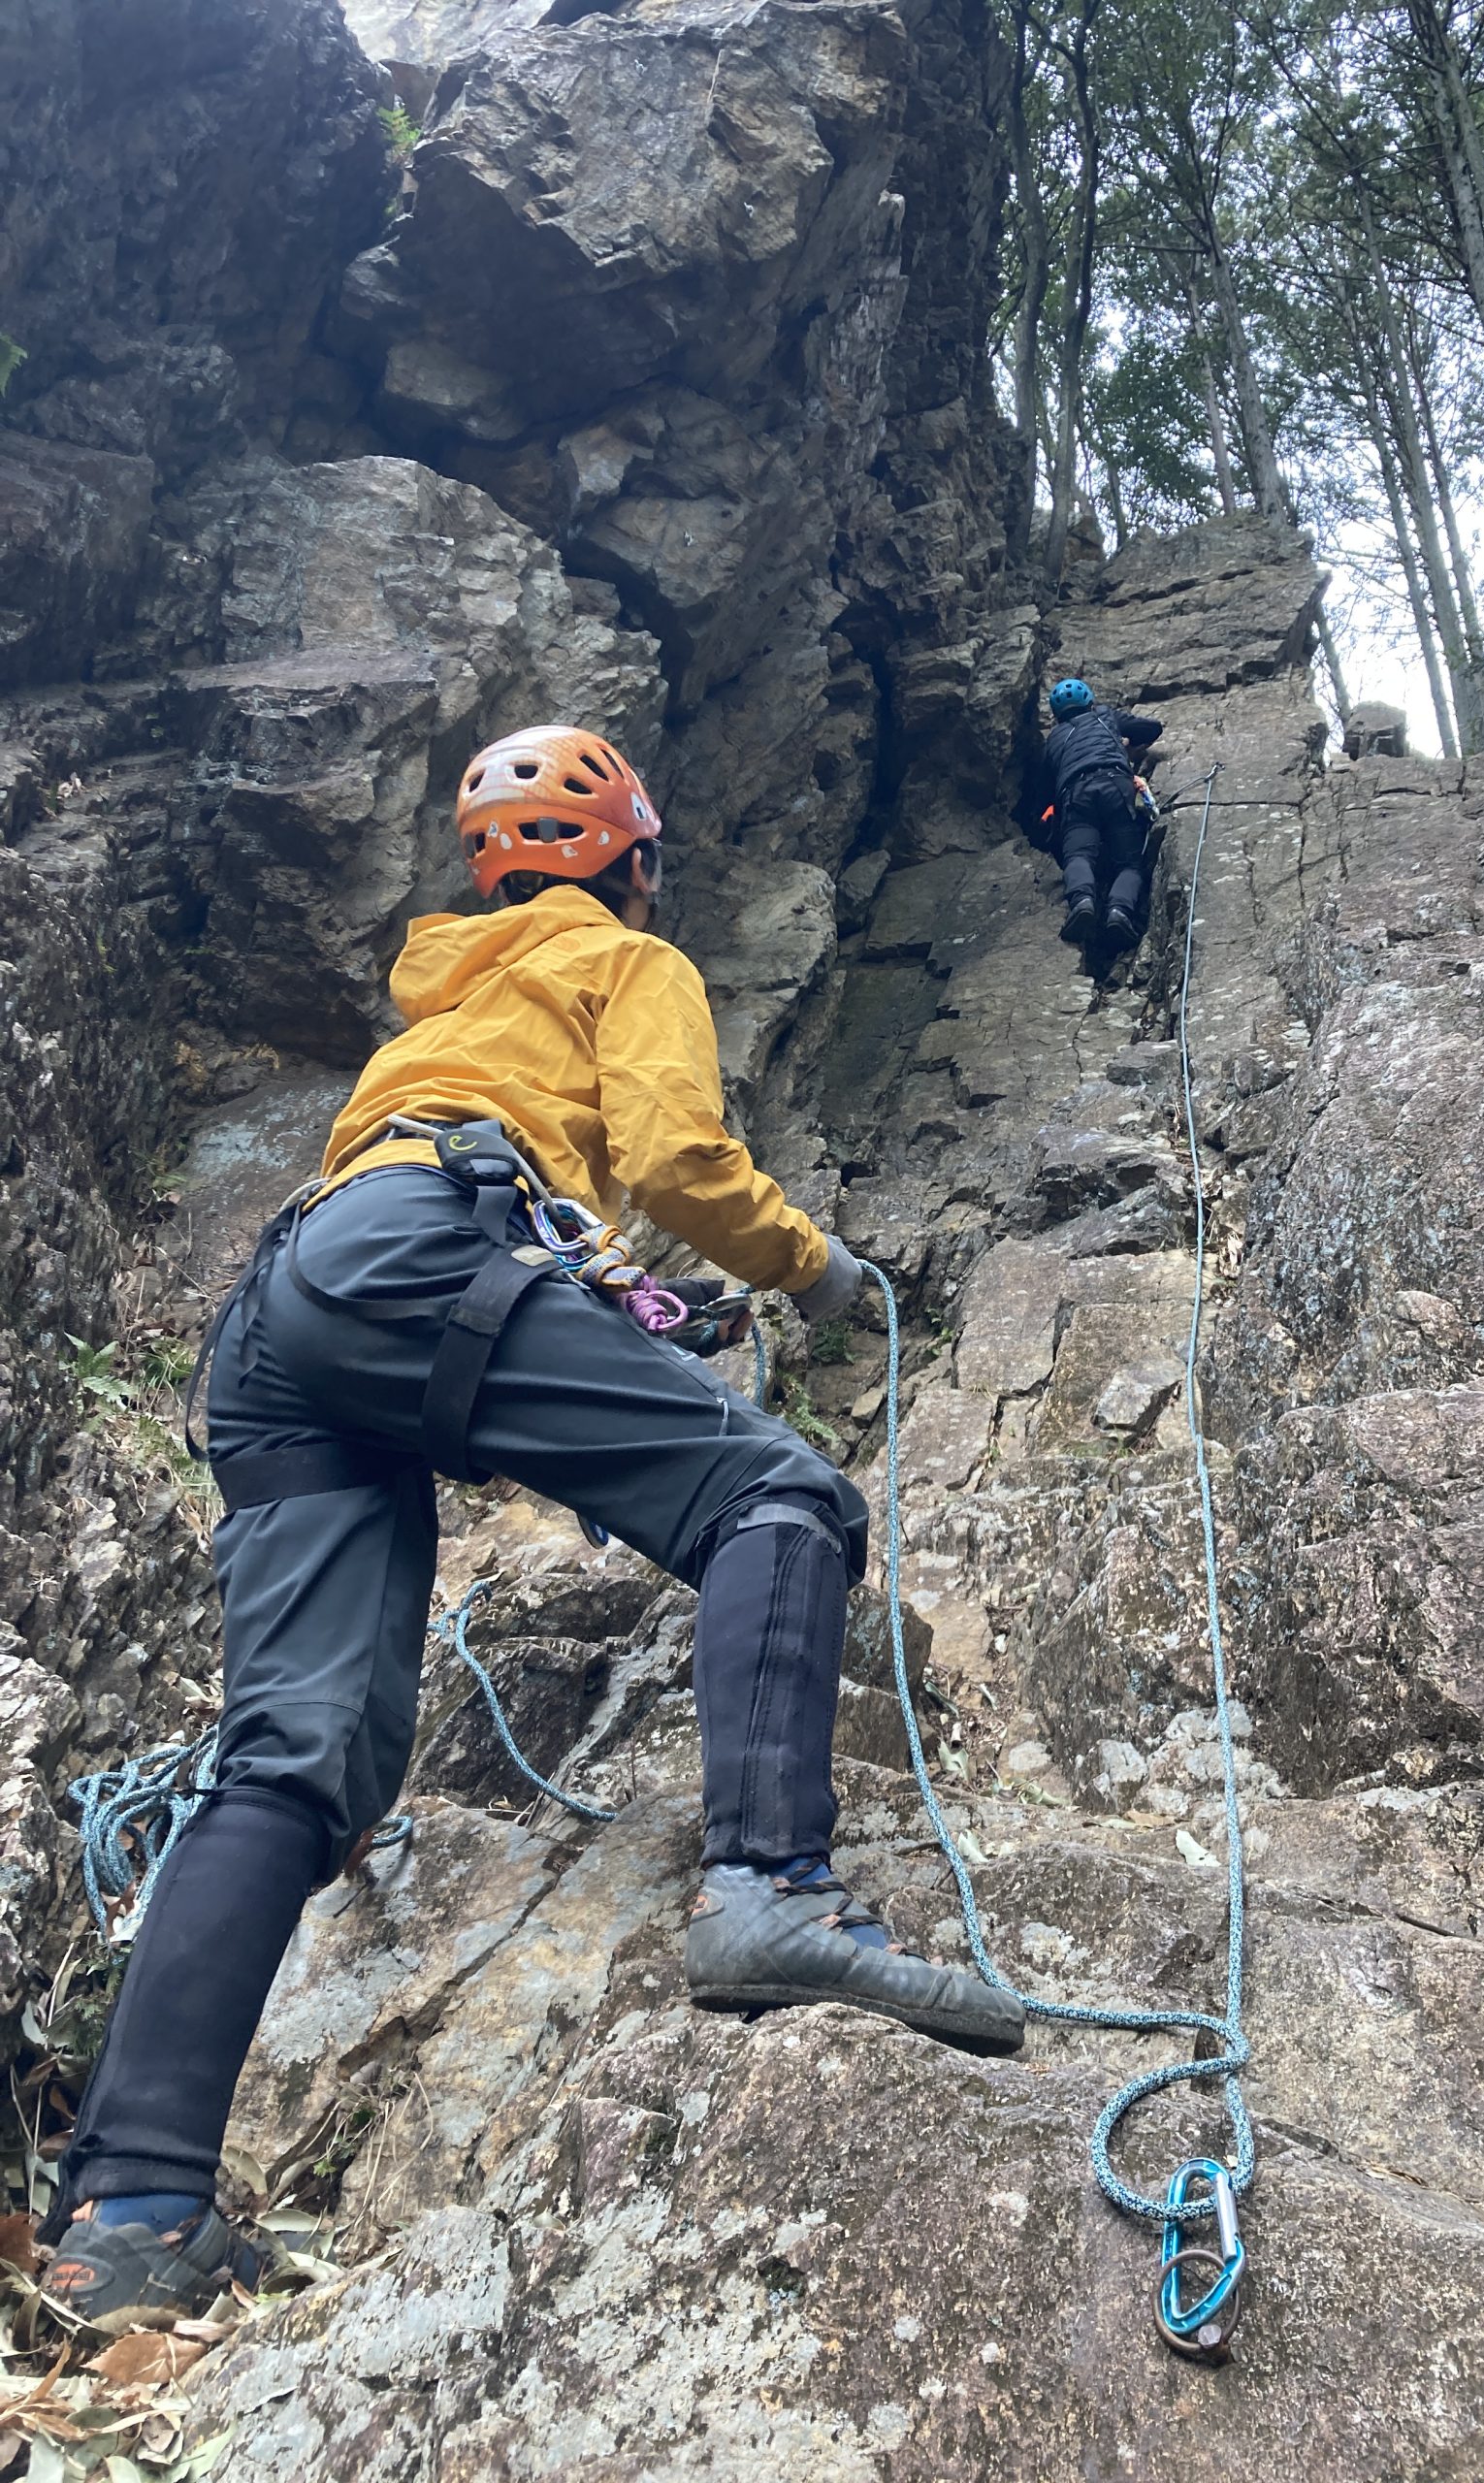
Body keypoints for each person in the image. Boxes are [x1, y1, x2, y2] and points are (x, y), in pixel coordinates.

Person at [42, 724, 1022, 2331]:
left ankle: (130, 2218)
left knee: (297, 1761)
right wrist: (814, 1269)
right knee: (784, 1494)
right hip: (428, 1261)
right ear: (631, 860)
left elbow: (482, 1223)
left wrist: (652, 1312)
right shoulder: (621, 959)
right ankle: (769, 1886)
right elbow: (677, 1158)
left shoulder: (458, 1001)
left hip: (293, 1315)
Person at [1039, 678, 1164, 951]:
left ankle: (1083, 902)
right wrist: (1125, 744)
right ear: (1089, 701)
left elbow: (1046, 788)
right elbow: (1152, 728)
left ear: (1056, 714)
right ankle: (1119, 912)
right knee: (1129, 863)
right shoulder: (1103, 716)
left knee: (1079, 855)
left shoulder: (1054, 740)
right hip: (1115, 784)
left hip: (1074, 792)